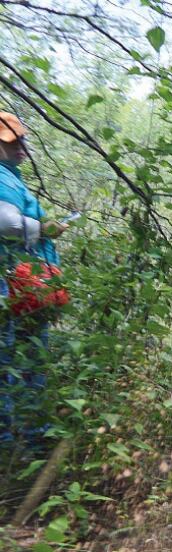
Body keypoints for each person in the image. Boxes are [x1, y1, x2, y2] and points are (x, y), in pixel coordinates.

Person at [0, 112, 68, 451]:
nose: (20, 148)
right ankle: (14, 448)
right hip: (10, 283)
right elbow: (7, 225)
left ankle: (30, 444)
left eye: (22, 140)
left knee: (29, 360)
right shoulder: (1, 177)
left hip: (23, 286)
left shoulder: (11, 177)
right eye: (12, 143)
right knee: (9, 361)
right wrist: (43, 228)